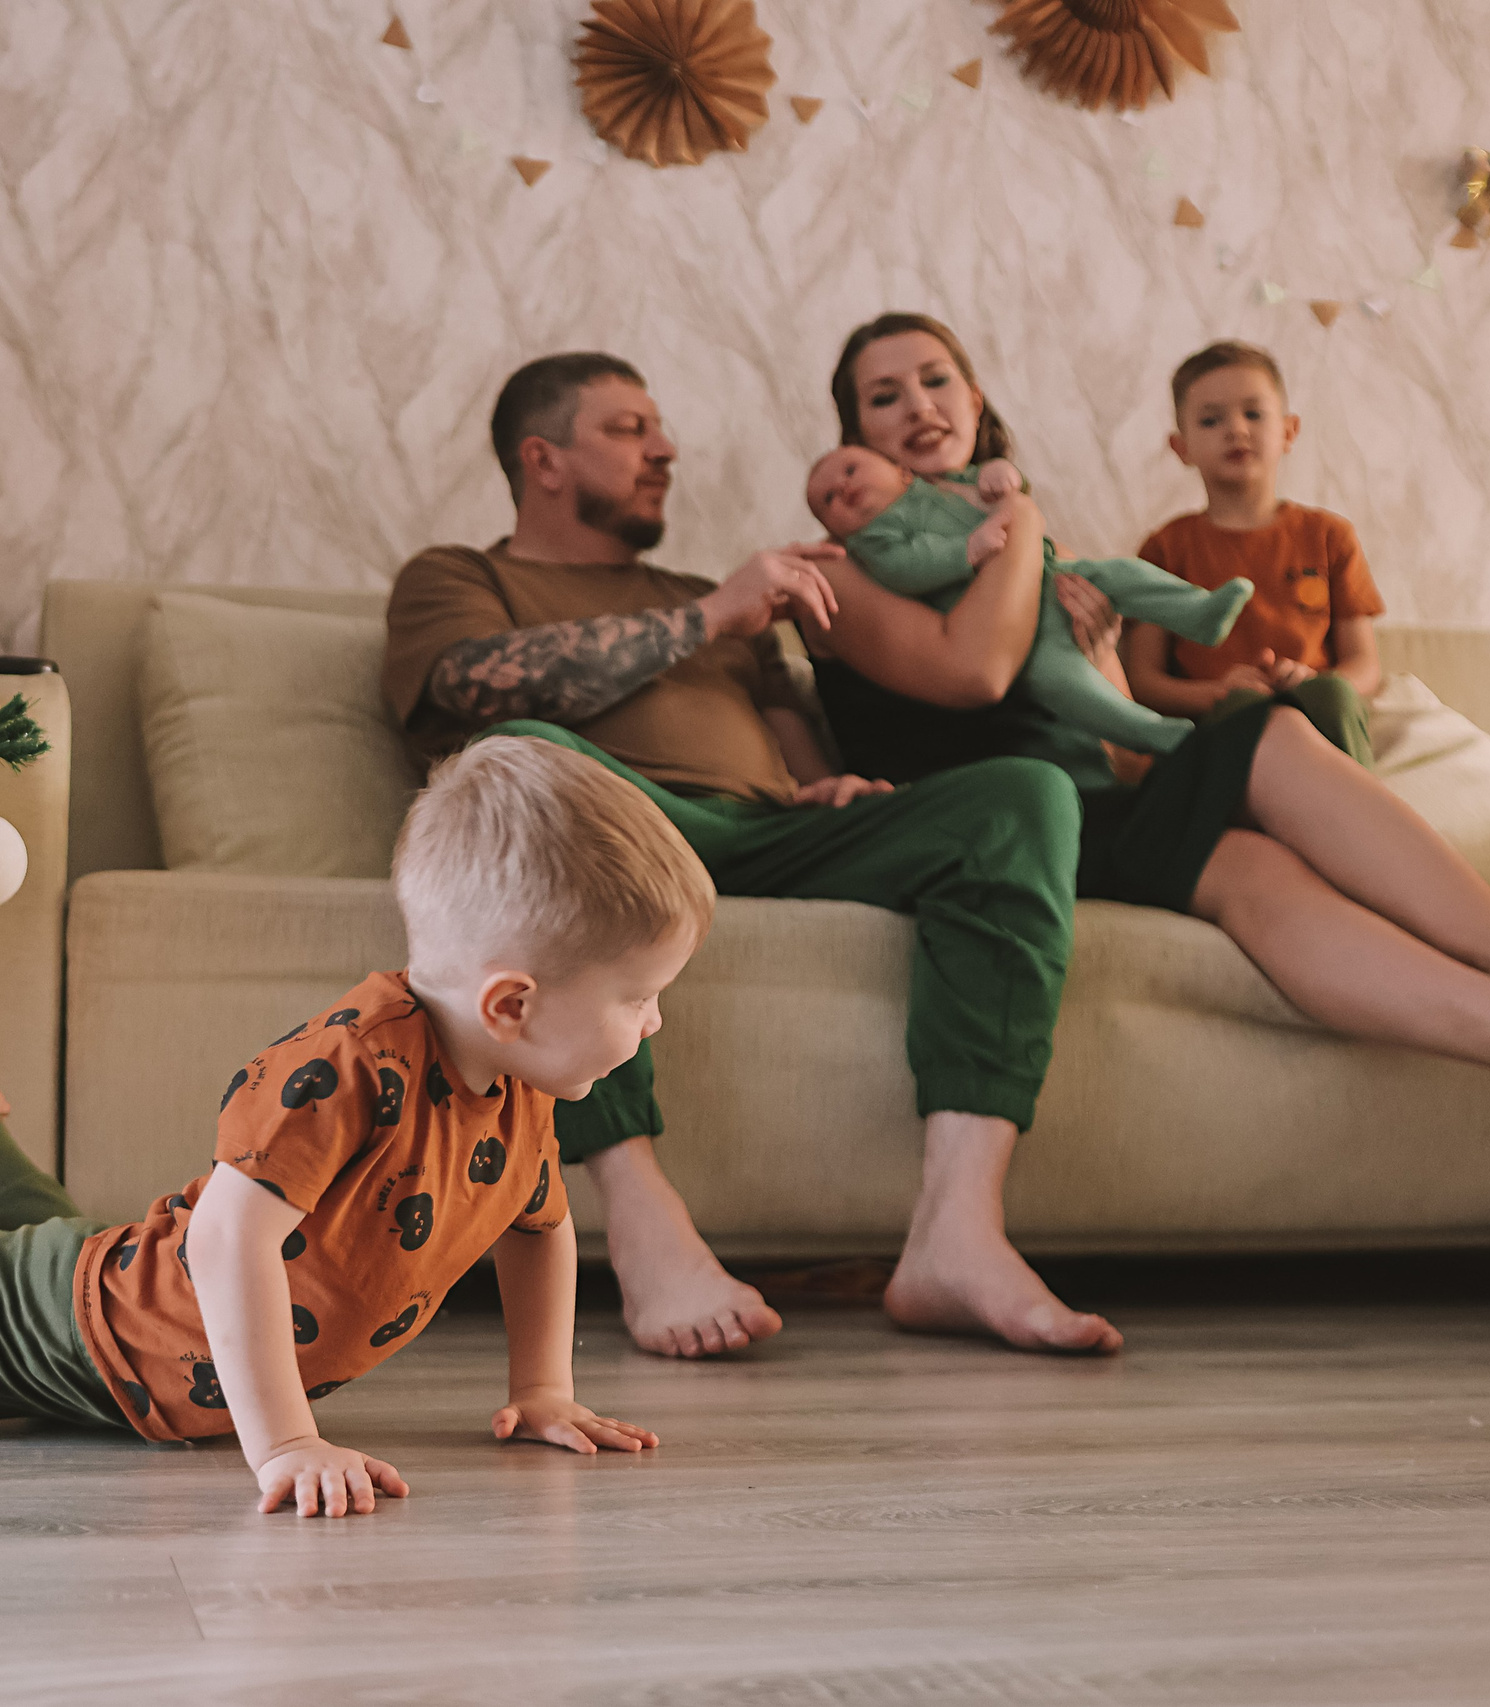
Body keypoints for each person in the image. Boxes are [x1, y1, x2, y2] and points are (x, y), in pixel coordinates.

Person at [0, 737, 678, 1519]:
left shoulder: (519, 1088)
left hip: (133, 1296)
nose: (653, 1023)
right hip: (61, 1335)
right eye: (637, 997)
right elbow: (221, 1241)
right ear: (510, 1003)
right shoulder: (343, 1070)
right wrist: (286, 1444)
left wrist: (542, 1387)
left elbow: (539, 1226)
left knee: (83, 1244)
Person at [384, 351, 1126, 1361]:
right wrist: (708, 617)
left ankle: (957, 1233)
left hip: (765, 834)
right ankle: (643, 1221)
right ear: (542, 459)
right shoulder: (458, 577)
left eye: (658, 429)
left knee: (1020, 795)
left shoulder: (712, 592)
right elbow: (474, 688)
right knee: (523, 755)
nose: (665, 449)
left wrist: (827, 786)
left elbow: (796, 748)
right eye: (628, 429)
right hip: (608, 835)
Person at [806, 311, 1490, 1145]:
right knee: (1261, 753)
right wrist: (1020, 521)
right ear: (856, 436)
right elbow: (976, 672)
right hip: (996, 828)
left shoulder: (1020, 545)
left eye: (936, 381)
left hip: (1099, 809)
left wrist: (1099, 649)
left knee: (1258, 831)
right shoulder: (837, 570)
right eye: (884, 397)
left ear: (973, 401)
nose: (918, 406)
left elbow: (1125, 756)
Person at [807, 442, 1250, 753]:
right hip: (1022, 639)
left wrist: (1003, 474)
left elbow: (996, 488)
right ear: (836, 532)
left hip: (1057, 578)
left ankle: (1198, 612)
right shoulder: (872, 542)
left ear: (900, 470)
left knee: (1122, 574)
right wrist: (966, 551)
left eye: (850, 470)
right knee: (1070, 687)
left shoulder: (944, 484)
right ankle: (1157, 733)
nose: (842, 488)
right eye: (827, 499)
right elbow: (907, 566)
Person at [1124, 340, 1383, 766]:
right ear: (1181, 447)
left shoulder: (1330, 536)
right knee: (1243, 709)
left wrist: (1310, 682)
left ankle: (1354, 802)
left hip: (1316, 712)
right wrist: (1216, 692)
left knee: (1334, 695)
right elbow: (1143, 680)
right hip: (1223, 724)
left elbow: (1365, 665)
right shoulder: (1165, 550)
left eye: (1254, 414)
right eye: (1211, 420)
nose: (1236, 430)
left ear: (1289, 431)